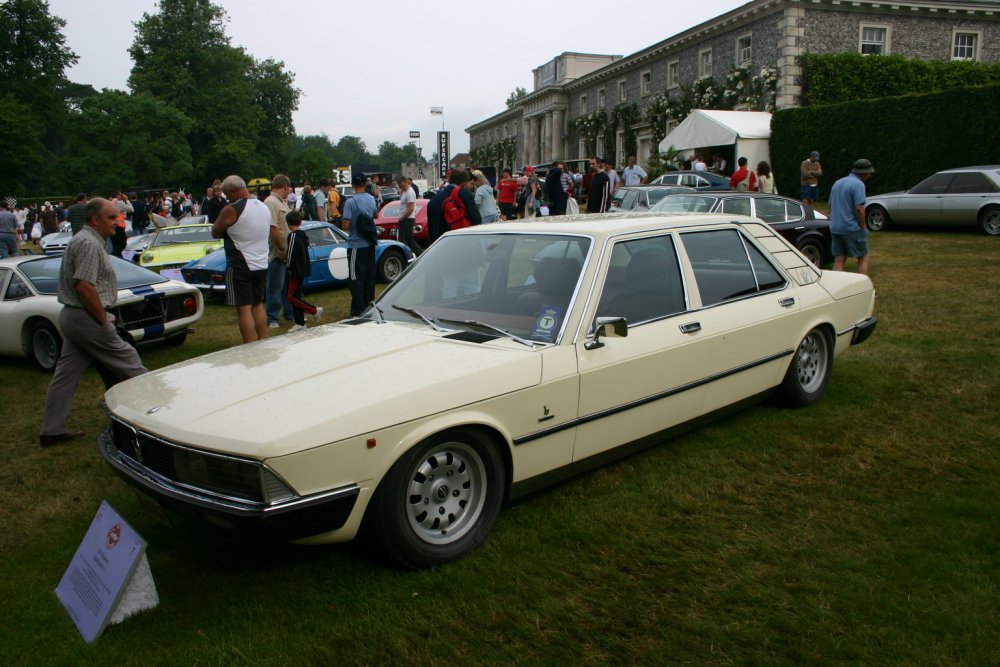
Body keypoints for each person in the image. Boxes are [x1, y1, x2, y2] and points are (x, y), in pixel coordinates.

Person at [39, 198, 149, 447]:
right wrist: (104, 319)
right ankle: (164, 418)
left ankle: (52, 430)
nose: (117, 222)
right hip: (86, 318)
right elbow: (84, 286)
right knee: (131, 364)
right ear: (94, 220)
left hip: (74, 317)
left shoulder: (86, 240)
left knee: (65, 376)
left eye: (117, 217)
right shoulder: (88, 243)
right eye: (111, 218)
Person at [211, 175, 271, 344]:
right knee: (257, 304)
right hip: (261, 262)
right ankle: (263, 338)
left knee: (244, 307)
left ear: (234, 191)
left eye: (227, 194)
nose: (226, 198)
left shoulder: (232, 209)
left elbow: (215, 232)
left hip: (241, 263)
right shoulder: (262, 205)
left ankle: (248, 345)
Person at [341, 172, 379, 316]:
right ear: (365, 183)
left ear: (352, 185)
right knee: (369, 277)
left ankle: (358, 310)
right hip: (369, 243)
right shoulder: (371, 199)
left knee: (355, 278)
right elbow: (376, 215)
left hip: (356, 245)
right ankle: (369, 306)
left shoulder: (350, 202)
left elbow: (345, 225)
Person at [828, 159, 875, 276]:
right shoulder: (859, 185)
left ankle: (837, 289)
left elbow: (830, 205)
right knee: (864, 256)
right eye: (869, 173)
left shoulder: (837, 183)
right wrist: (863, 226)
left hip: (835, 227)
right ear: (863, 173)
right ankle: (861, 288)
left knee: (839, 259)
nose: (869, 175)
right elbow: (859, 208)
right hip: (851, 227)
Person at [283, 210, 323, 332]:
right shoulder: (302, 234)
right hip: (303, 269)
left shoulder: (293, 235)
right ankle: (300, 323)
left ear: (288, 223)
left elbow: (290, 254)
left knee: (290, 297)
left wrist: (289, 267)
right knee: (297, 296)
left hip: (295, 270)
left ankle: (314, 310)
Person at [263, 173, 294, 329]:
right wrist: (281, 248)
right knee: (275, 286)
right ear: (286, 186)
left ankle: (289, 313)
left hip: (286, 251)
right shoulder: (271, 203)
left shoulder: (281, 202)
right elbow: (273, 228)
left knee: (288, 286)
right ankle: (272, 317)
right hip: (277, 252)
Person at [427, 169, 481, 242]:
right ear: (464, 183)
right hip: (459, 240)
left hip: (439, 244)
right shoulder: (465, 195)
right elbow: (477, 220)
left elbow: (431, 228)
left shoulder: (434, 200)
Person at [394, 175, 422, 255]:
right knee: (401, 241)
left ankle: (421, 254)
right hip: (405, 219)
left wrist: (401, 218)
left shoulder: (410, 192)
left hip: (408, 219)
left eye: (402, 186)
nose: (402, 188)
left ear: (406, 182)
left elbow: (410, 209)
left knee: (408, 240)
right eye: (400, 187)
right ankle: (403, 256)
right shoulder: (405, 192)